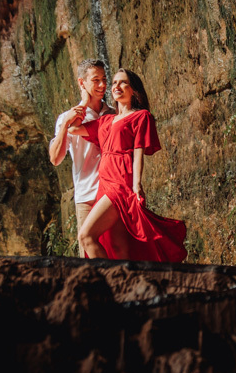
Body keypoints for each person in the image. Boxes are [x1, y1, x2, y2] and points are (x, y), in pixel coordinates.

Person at [69, 69, 188, 262]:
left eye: (123, 83)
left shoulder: (141, 116)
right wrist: (84, 101)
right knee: (118, 247)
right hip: (104, 184)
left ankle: (112, 282)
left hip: (120, 183)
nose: (117, 86)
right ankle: (129, 285)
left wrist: (136, 185)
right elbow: (73, 128)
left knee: (85, 236)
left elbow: (139, 150)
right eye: (114, 82)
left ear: (134, 90)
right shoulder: (105, 120)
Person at [49, 59, 112, 232]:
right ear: (81, 83)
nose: (102, 85)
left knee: (117, 253)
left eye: (104, 79)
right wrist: (65, 125)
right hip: (87, 196)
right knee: (87, 253)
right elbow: (55, 158)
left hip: (112, 193)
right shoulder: (66, 119)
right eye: (95, 80)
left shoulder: (113, 113)